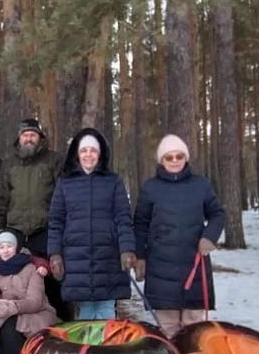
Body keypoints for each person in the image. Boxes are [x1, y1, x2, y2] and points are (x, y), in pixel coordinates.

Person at [133, 134, 226, 337]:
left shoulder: (200, 185)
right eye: (169, 157)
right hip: (160, 268)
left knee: (194, 329)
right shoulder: (150, 188)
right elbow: (140, 224)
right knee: (168, 328)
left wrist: (209, 237)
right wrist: (140, 256)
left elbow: (217, 214)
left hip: (194, 265)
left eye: (179, 156)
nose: (174, 161)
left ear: (186, 158)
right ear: (161, 160)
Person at [47, 129, 137, 320]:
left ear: (100, 154)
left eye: (93, 150)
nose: (88, 155)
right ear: (77, 154)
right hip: (76, 256)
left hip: (108, 256)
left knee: (106, 310)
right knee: (85, 313)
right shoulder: (65, 183)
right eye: (84, 150)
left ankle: (107, 340)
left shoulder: (113, 181)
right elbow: (56, 222)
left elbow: (123, 218)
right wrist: (55, 254)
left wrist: (127, 249)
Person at [0, 117, 68, 319]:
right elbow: (2, 196)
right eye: (25, 135)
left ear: (40, 137)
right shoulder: (9, 164)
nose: (29, 139)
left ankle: (61, 321)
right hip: (16, 230)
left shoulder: (53, 160)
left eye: (33, 135)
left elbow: (63, 194)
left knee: (52, 278)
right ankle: (25, 325)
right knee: (20, 280)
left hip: (45, 229)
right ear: (19, 138)